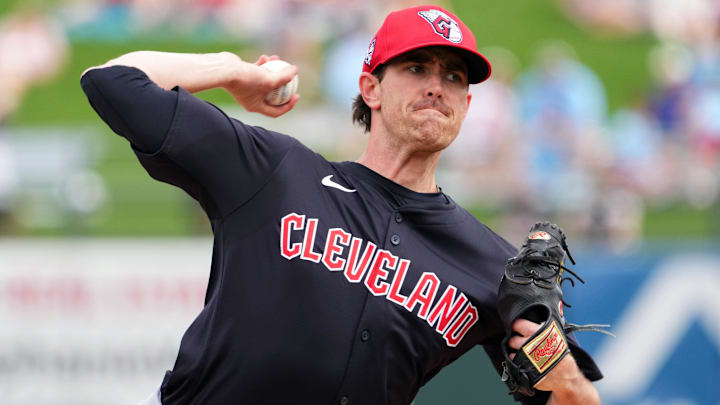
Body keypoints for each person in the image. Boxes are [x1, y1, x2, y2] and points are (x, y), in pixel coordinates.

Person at [80, 5, 602, 405]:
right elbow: (113, 82)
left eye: (454, 77)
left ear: (467, 106)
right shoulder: (276, 172)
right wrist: (235, 70)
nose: (436, 87)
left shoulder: (491, 265)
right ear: (369, 88)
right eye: (417, 68)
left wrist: (563, 372)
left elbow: (573, 397)